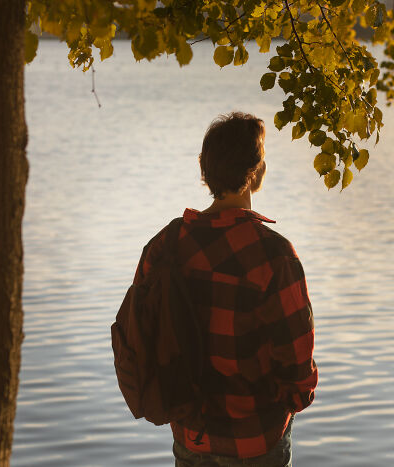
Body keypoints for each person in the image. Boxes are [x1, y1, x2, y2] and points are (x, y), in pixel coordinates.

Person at [132, 112, 317, 466]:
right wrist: (293, 401)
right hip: (257, 440)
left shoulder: (165, 245)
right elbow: (297, 368)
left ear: (204, 168)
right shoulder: (274, 255)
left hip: (191, 436)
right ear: (258, 172)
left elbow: (141, 337)